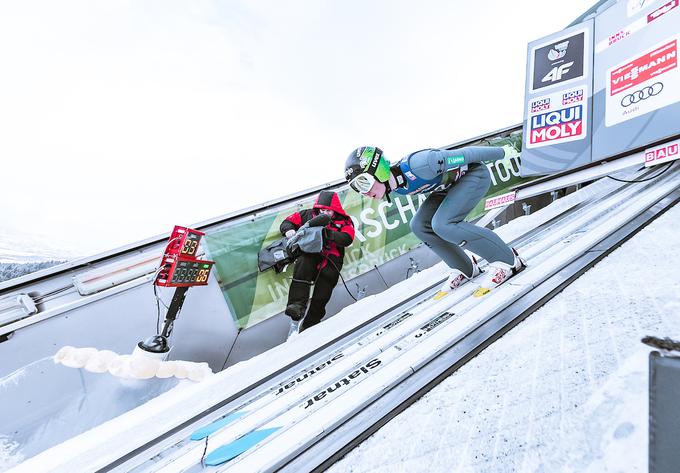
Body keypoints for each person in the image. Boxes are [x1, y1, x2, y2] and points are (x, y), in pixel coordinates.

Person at [344, 145, 524, 293]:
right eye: (357, 188)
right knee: (419, 225)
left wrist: (503, 152)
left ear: (379, 171)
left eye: (363, 183)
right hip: (448, 186)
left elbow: (465, 154)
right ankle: (464, 268)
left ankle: (507, 260)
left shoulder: (421, 164)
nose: (365, 192)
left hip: (474, 176)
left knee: (443, 224)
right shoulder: (396, 186)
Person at [280, 190, 355, 332]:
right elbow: (287, 222)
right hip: (310, 254)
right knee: (303, 265)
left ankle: (310, 324)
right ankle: (296, 306)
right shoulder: (307, 215)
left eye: (327, 211)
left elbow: (347, 238)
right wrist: (289, 230)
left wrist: (328, 234)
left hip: (332, 259)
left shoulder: (344, 221)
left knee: (323, 293)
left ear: (335, 210)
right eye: (321, 210)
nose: (324, 213)